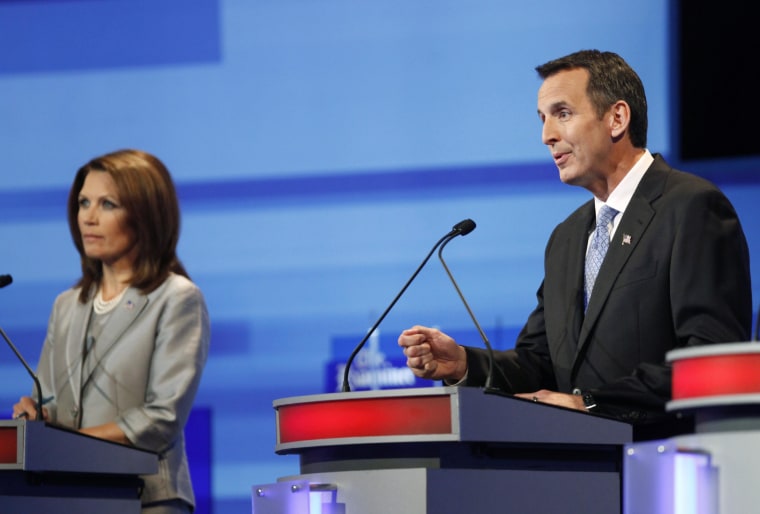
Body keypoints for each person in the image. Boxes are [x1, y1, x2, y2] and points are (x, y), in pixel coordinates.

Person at [398, 49, 752, 439]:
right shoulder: (566, 237)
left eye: (562, 113)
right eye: (543, 118)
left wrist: (591, 403)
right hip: (577, 475)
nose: (546, 135)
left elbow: (710, 360)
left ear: (617, 118)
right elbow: (538, 364)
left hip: (667, 465)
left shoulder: (690, 206)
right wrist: (464, 364)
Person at [12, 149, 210, 513]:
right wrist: (35, 417)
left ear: (146, 214)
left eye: (108, 204)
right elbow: (50, 400)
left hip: (146, 498)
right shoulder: (67, 305)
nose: (88, 217)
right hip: (66, 495)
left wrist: (69, 444)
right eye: (83, 202)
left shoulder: (176, 299)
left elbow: (161, 417)